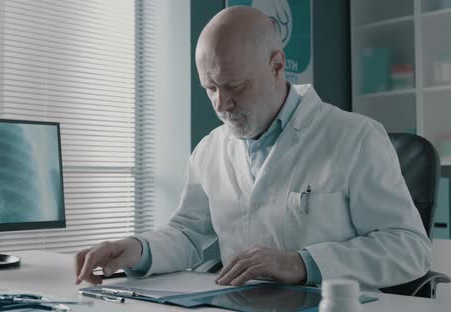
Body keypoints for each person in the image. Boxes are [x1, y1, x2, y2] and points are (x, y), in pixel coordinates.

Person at [75, 6, 432, 290]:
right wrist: (138, 250)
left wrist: (301, 263)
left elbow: (409, 248)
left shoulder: (356, 137)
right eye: (210, 88)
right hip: (242, 303)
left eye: (234, 86)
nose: (222, 104)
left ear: (277, 65)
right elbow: (188, 234)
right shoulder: (210, 149)